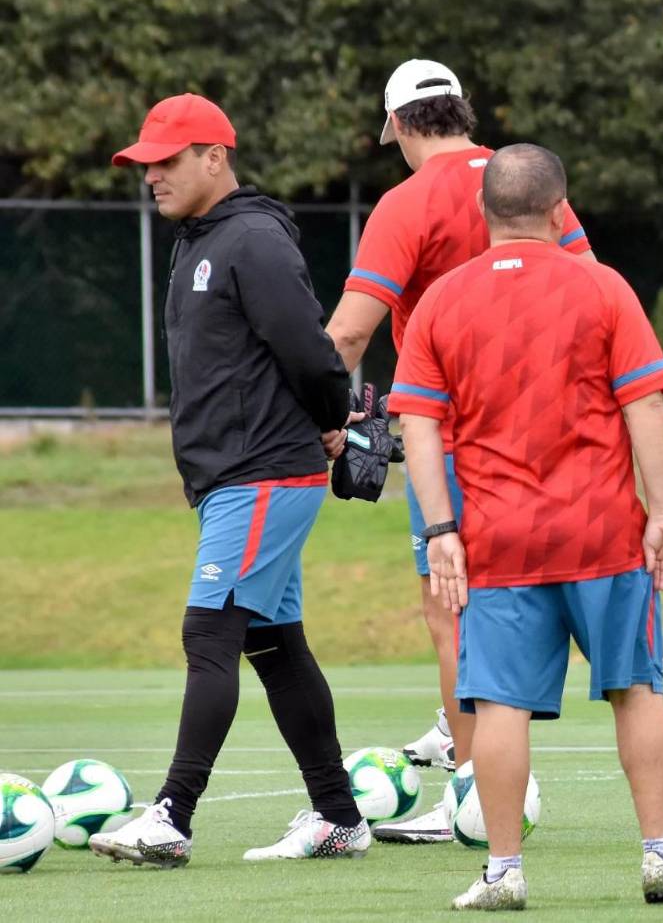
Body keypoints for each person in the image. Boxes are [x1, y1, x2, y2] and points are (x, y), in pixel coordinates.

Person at [393, 144, 663, 911]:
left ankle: (503, 871)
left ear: (484, 212)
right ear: (560, 209)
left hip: (497, 542)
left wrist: (442, 527)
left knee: (500, 706)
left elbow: (417, 424)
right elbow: (645, 410)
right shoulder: (603, 288)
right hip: (602, 533)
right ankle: (661, 856)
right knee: (635, 687)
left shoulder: (441, 299)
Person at [90, 93, 368, 867]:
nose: (151, 176)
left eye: (167, 161)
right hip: (237, 476)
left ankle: (172, 814)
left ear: (215, 157)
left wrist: (333, 418)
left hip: (265, 473)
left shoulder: (250, 238)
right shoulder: (196, 240)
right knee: (275, 643)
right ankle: (339, 815)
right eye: (145, 164)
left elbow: (312, 354)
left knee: (208, 633)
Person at [324, 59, 594, 844]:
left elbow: (348, 331)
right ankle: (468, 738)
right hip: (554, 427)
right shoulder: (525, 181)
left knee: (451, 605)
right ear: (462, 113)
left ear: (403, 125)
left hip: (455, 429)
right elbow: (591, 288)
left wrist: (313, 410)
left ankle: (473, 791)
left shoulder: (408, 201)